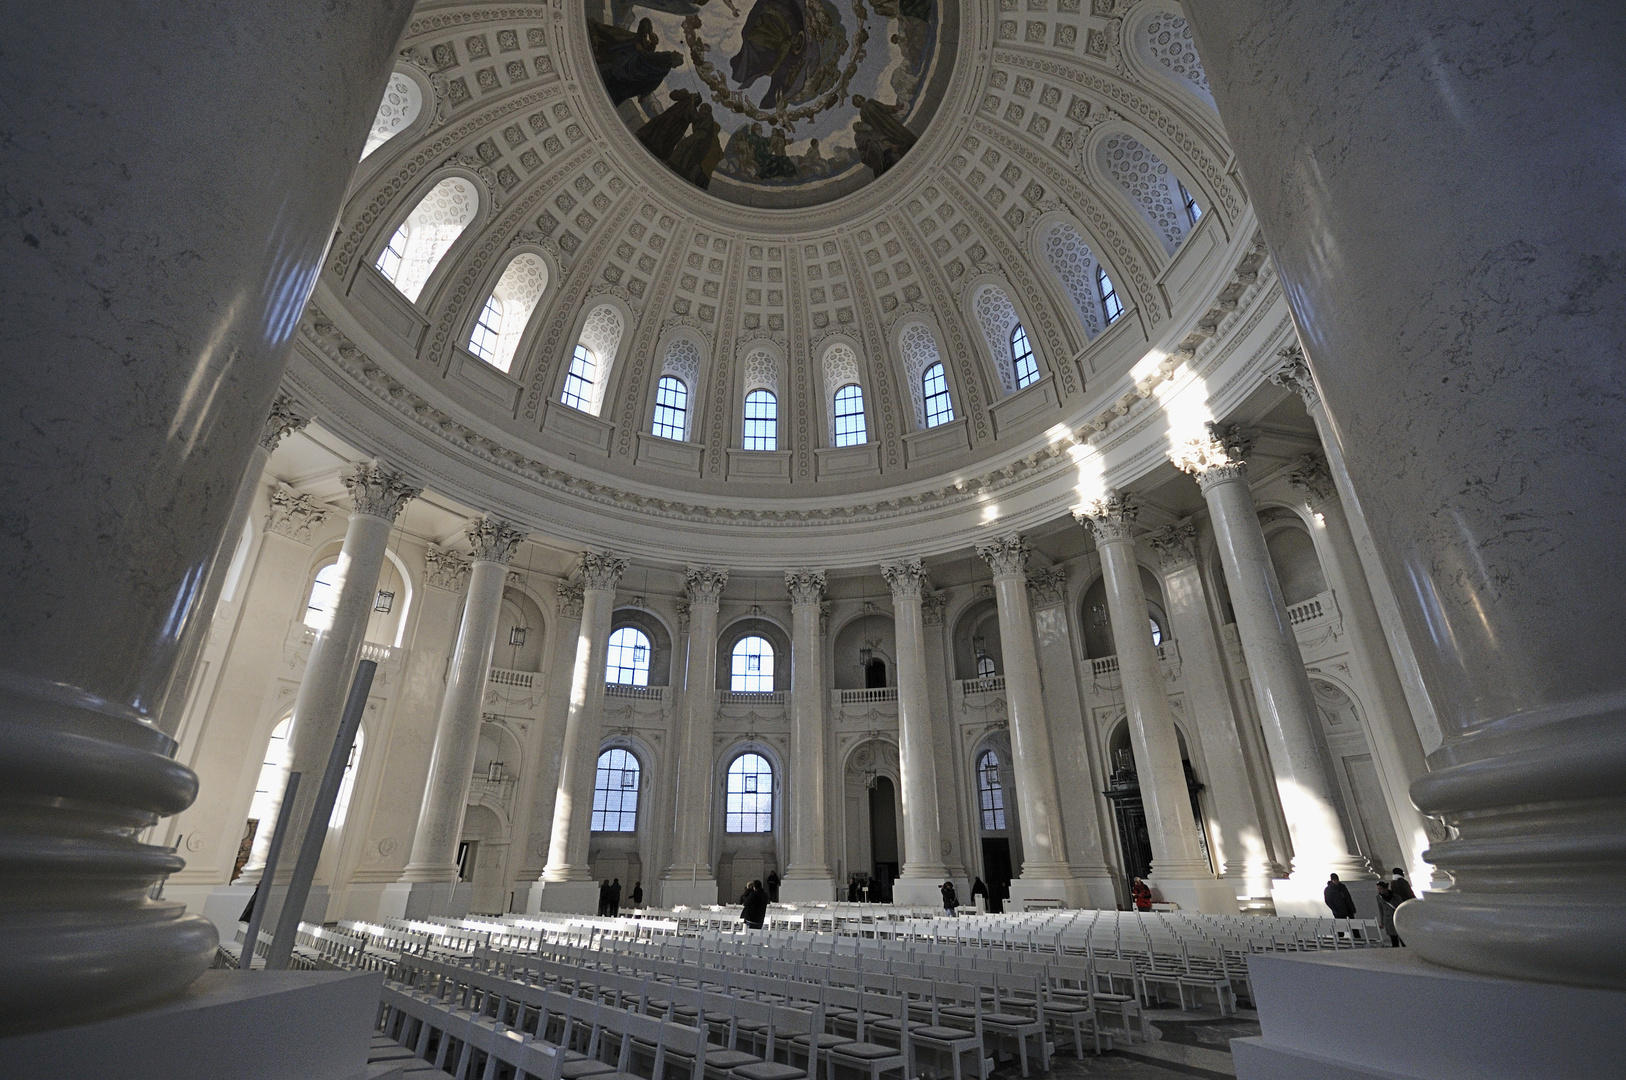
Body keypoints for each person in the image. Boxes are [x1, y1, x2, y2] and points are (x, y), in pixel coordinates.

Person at [1376, 881, 1403, 947]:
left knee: (1402, 938)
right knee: (1394, 940)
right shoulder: (1379, 897)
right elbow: (1381, 910)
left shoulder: (1396, 897)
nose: (1379, 891)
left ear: (1386, 888)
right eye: (1378, 889)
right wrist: (1381, 922)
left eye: (1381, 889)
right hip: (1388, 920)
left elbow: (1401, 908)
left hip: (1397, 919)